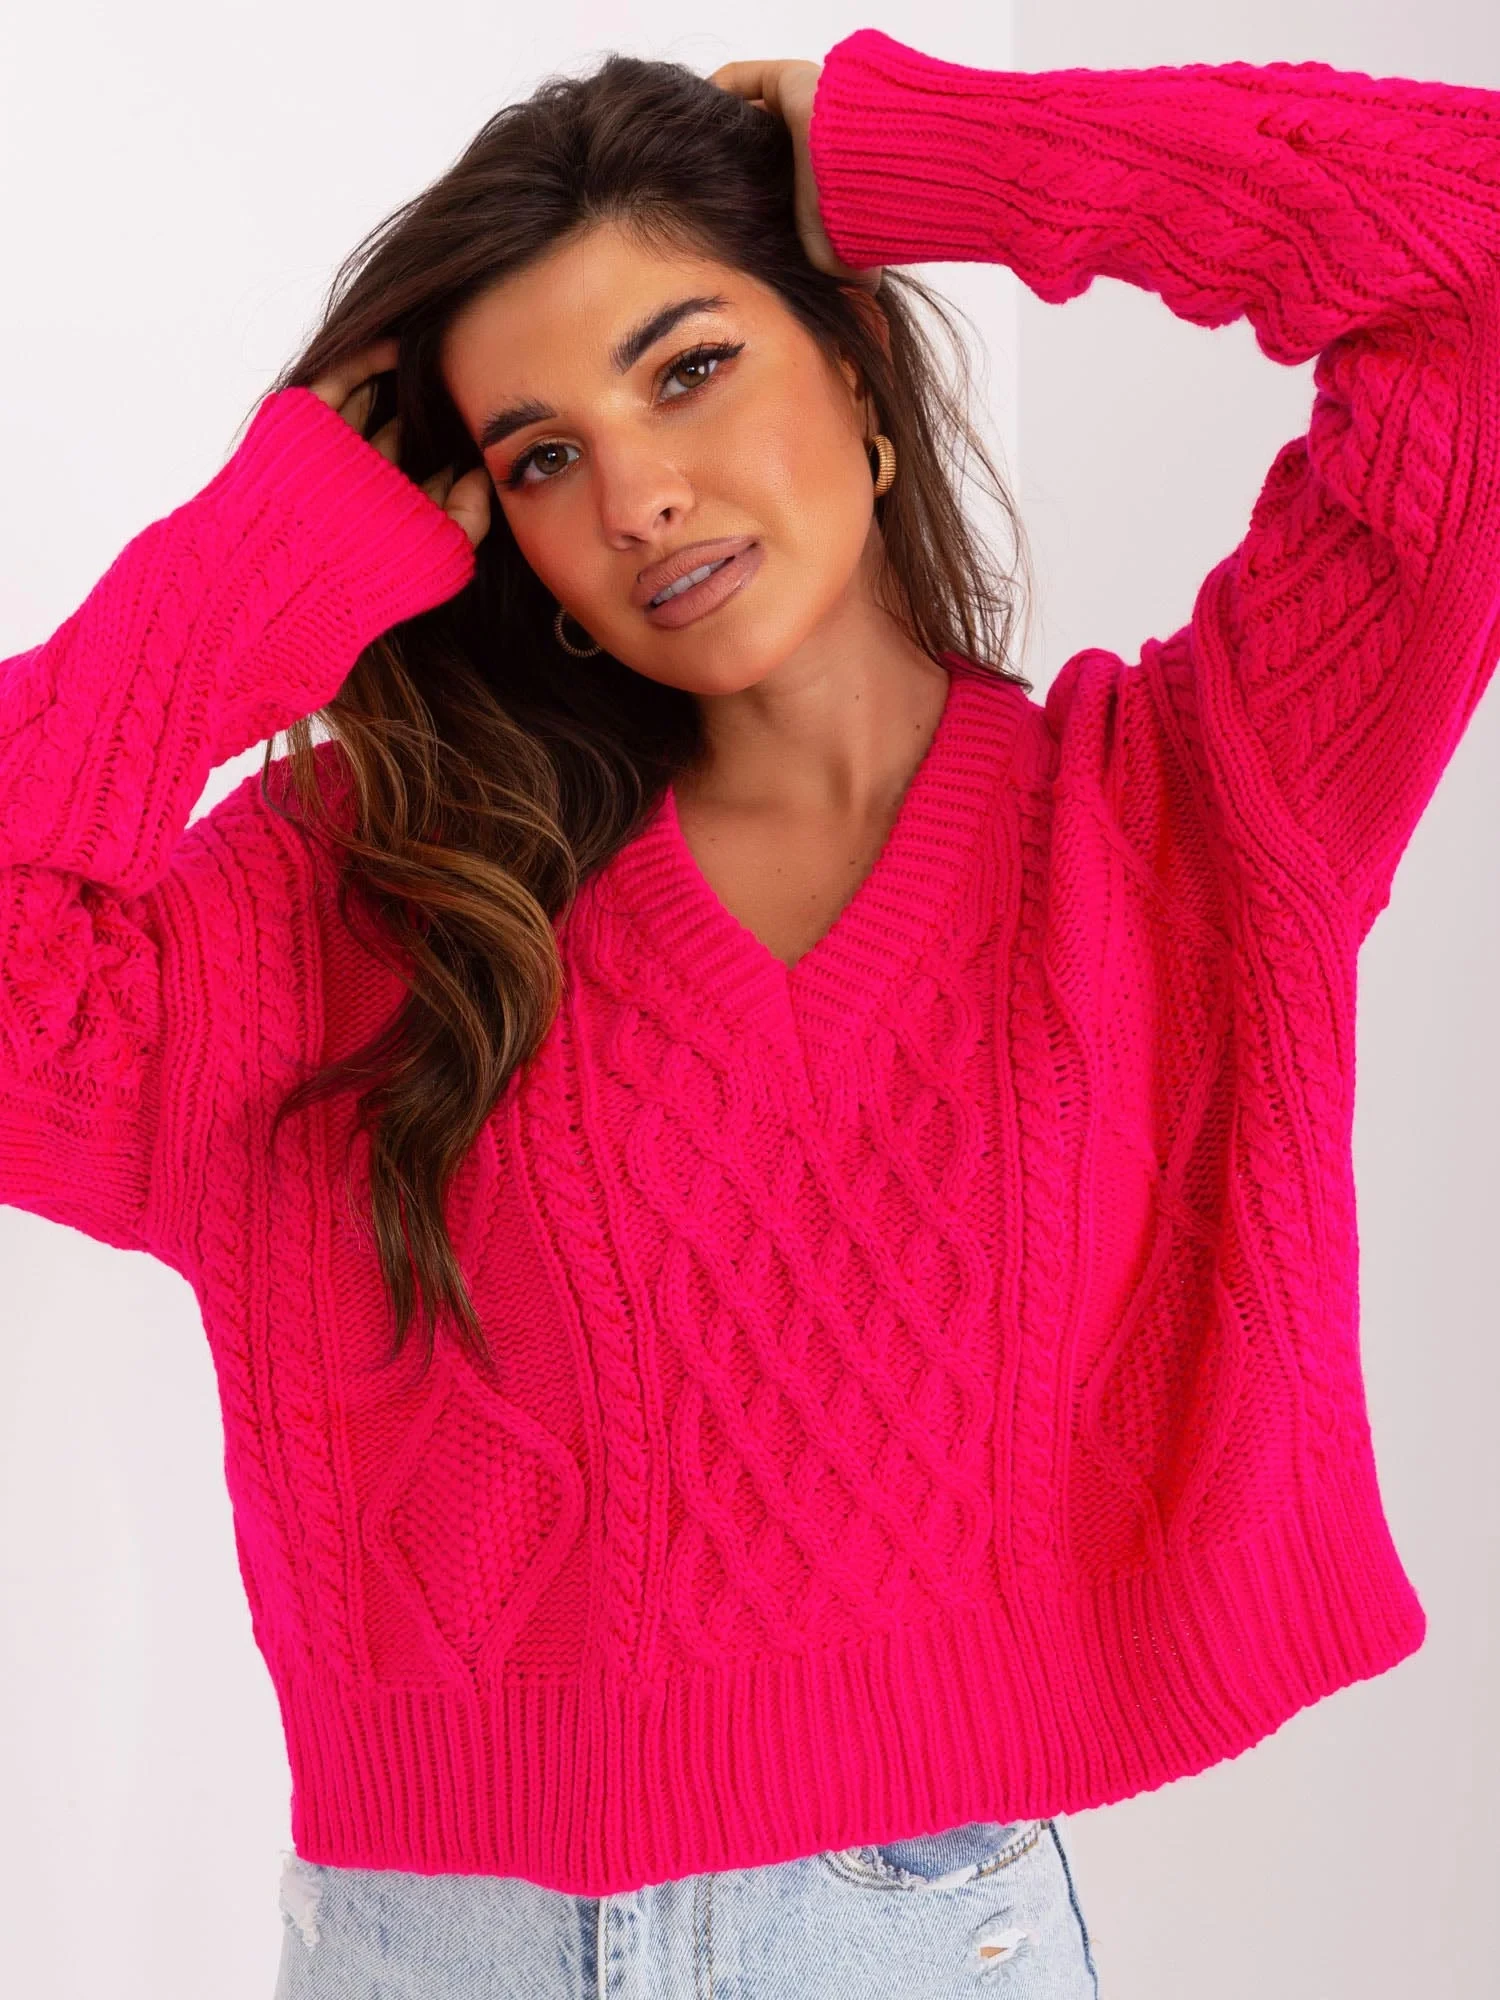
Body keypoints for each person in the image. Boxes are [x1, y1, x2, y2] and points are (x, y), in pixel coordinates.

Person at [3, 23, 1498, 1998]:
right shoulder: (376, 892)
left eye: (689, 367)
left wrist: (939, 151)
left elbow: (1471, 256)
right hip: (434, 1951)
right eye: (544, 456)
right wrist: (259, 562)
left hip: (916, 1939)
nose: (638, 493)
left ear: (858, 373)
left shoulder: (1192, 811)